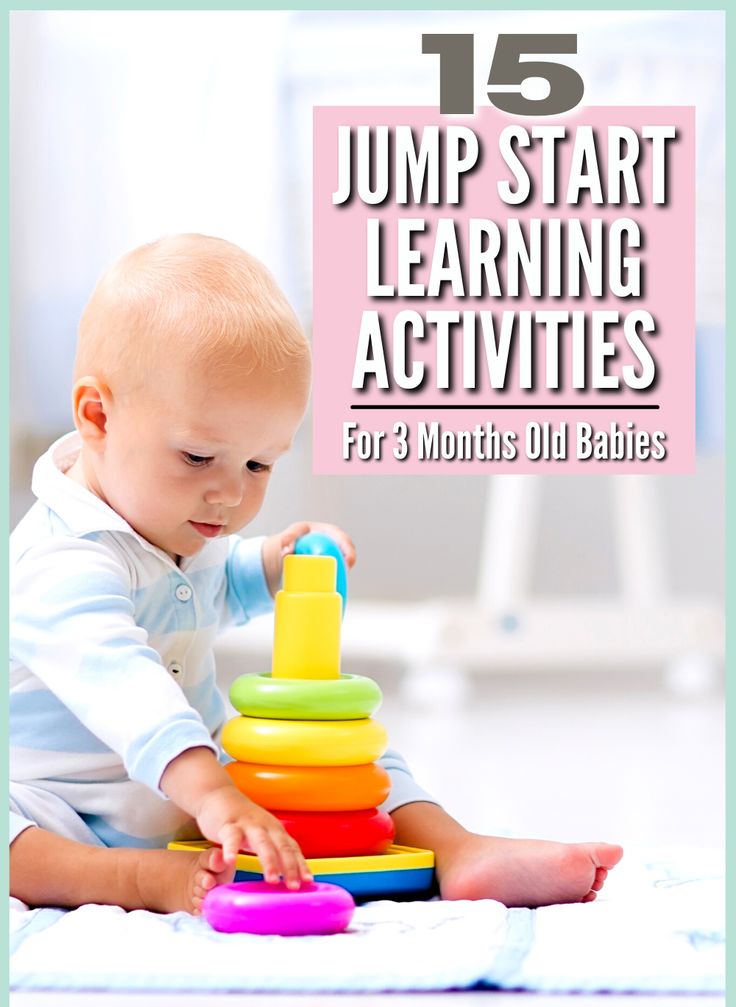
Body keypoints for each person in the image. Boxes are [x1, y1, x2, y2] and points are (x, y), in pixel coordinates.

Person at [9, 234, 622, 915]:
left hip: (200, 794)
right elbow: (120, 681)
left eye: (258, 466)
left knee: (346, 762)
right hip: (60, 802)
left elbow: (214, 584)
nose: (230, 496)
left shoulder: (173, 519)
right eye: (197, 456)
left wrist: (275, 563)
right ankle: (133, 882)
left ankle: (456, 848)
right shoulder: (61, 560)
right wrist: (212, 791)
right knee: (14, 839)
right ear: (97, 415)